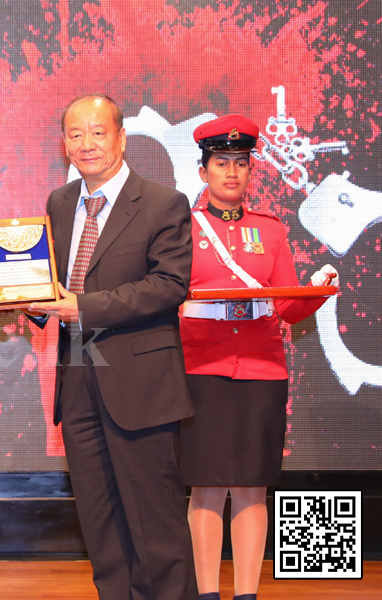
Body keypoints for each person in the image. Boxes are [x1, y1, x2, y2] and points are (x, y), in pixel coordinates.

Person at [27, 94, 198, 599]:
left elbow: (169, 285)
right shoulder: (60, 203)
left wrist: (82, 306)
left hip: (141, 385)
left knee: (156, 527)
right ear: (65, 144)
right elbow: (54, 284)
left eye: (98, 132)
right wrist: (28, 298)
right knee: (100, 524)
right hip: (77, 382)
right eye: (76, 134)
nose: (87, 144)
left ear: (121, 138)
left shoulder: (165, 203)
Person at [179, 115, 338, 600]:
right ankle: (207, 593)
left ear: (252, 172)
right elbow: (165, 296)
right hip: (199, 370)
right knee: (205, 486)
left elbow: (288, 309)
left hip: (262, 370)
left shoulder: (271, 230)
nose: (232, 172)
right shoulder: (181, 227)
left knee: (252, 486)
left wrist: (315, 291)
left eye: (241, 164)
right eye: (221, 163)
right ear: (203, 171)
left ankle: (246, 594)